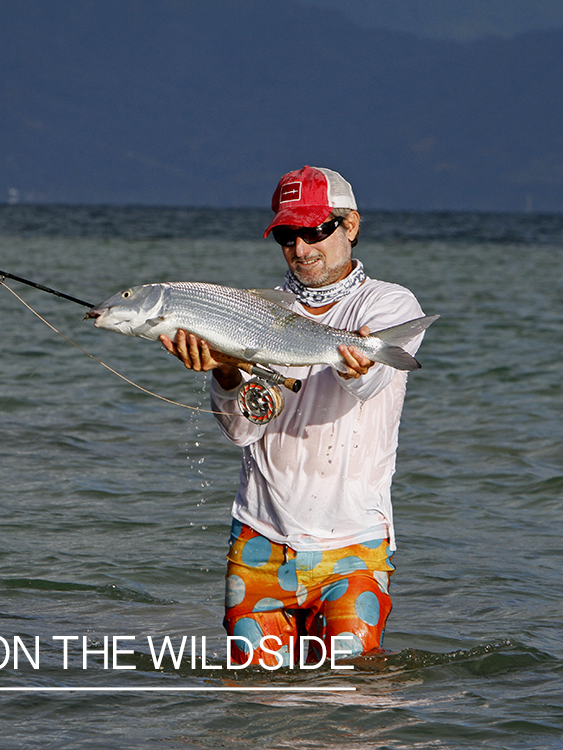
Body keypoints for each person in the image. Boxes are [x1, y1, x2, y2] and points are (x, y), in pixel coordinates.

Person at [161, 166, 426, 666]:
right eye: (287, 235)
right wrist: (223, 372)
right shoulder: (251, 311)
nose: (301, 248)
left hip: (354, 548)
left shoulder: (389, 304)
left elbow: (369, 383)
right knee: (255, 714)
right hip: (259, 540)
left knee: (350, 710)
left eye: (315, 231)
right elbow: (241, 431)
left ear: (351, 226)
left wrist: (358, 361)